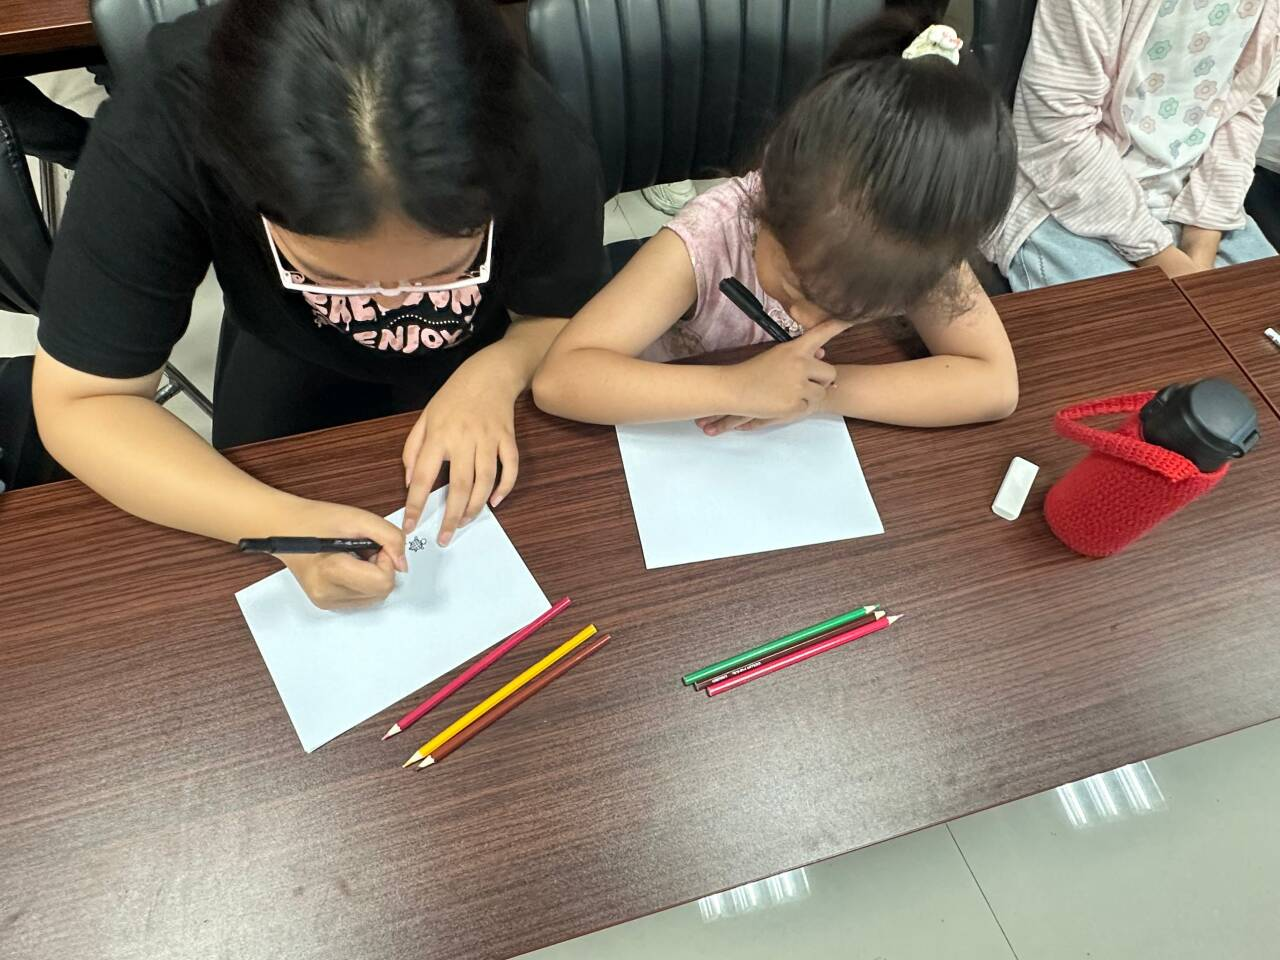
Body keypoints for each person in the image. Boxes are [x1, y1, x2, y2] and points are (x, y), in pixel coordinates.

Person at [32, 0, 605, 610]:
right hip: (288, 348)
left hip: (480, 358)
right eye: (335, 277)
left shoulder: (530, 130)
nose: (393, 300)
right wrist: (279, 526)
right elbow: (83, 400)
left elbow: (561, 313)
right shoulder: (174, 116)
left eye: (440, 271)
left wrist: (499, 370)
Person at [532, 14, 1019, 434]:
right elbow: (562, 378)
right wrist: (735, 386)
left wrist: (819, 393)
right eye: (796, 286)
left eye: (847, 310)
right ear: (768, 204)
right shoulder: (713, 233)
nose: (804, 319)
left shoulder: (908, 251)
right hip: (665, 425)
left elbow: (993, 384)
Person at [987, 0, 1280, 291]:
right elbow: (1058, 131)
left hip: (1193, 202)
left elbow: (1244, 114)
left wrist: (1201, 250)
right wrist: (1164, 258)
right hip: (1068, 198)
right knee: (1152, 321)